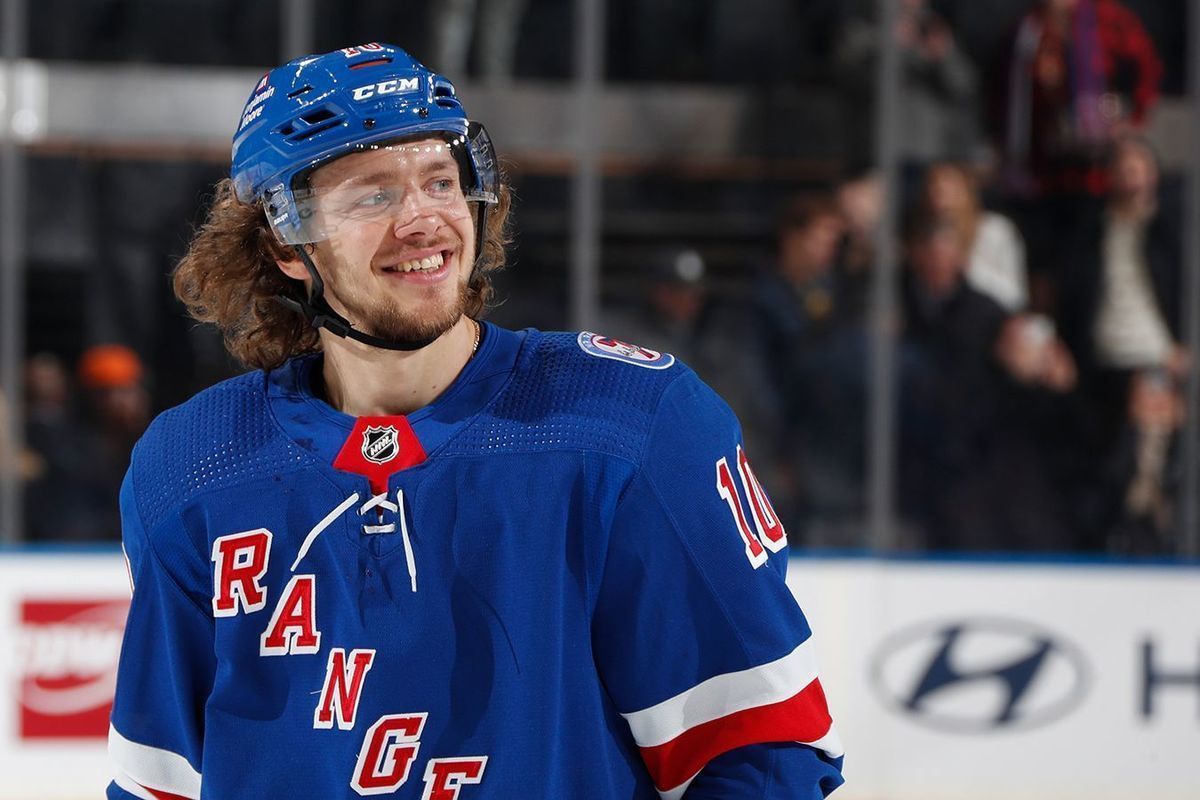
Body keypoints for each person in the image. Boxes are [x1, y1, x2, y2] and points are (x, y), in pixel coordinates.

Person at [106, 43, 844, 799]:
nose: (423, 220)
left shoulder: (630, 425)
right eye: (372, 196)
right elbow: (161, 783)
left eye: (440, 181)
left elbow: (759, 751)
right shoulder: (192, 468)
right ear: (285, 244)